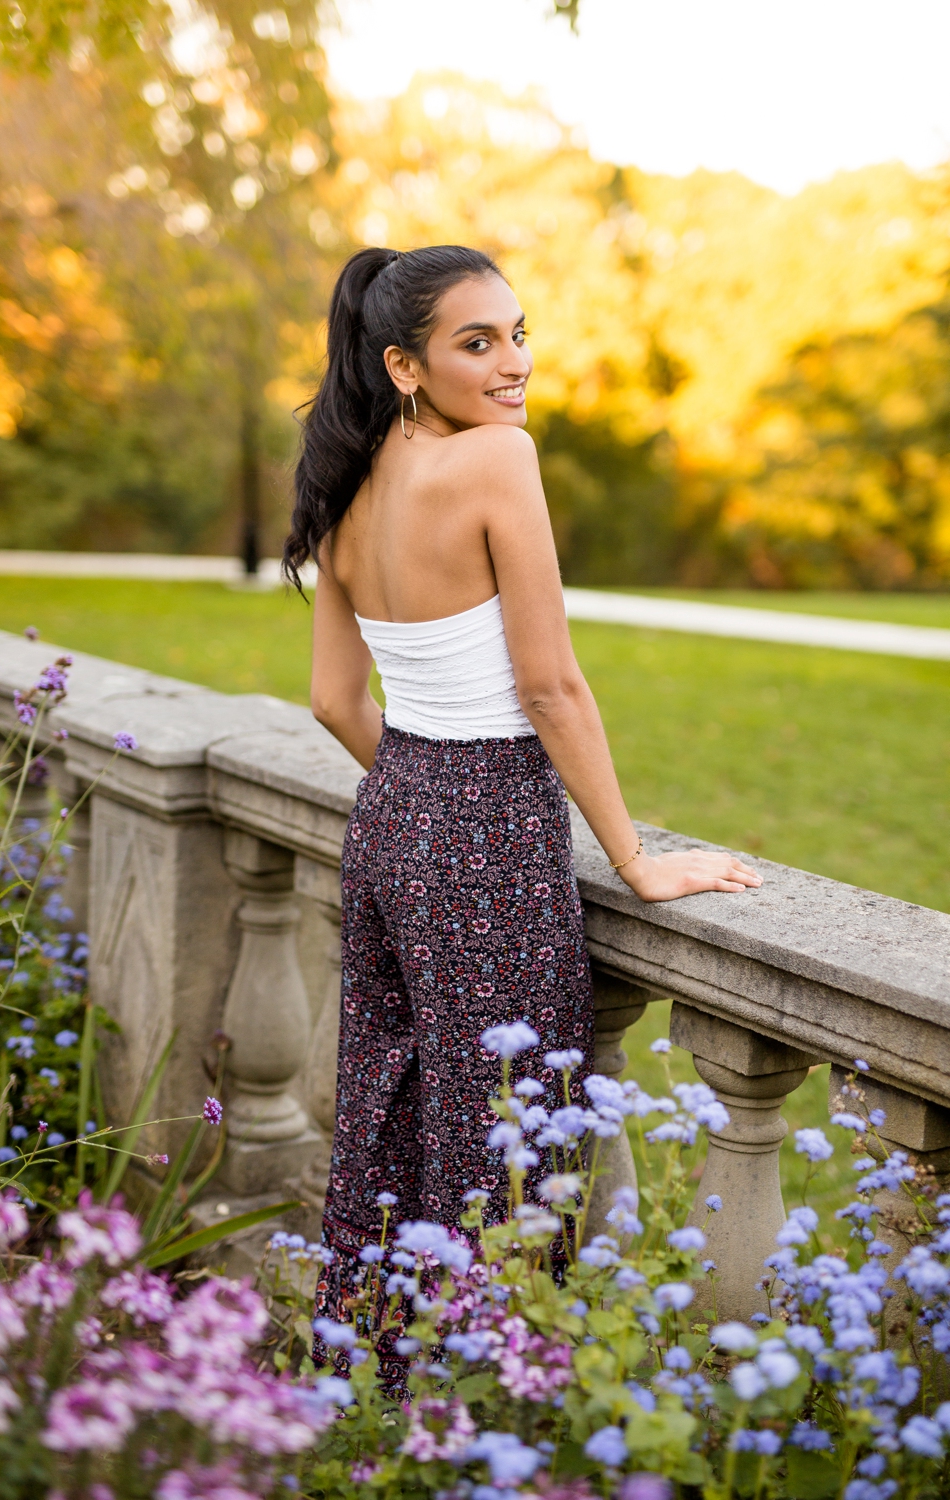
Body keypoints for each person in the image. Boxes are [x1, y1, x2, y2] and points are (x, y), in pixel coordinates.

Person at [285, 246, 761, 1350]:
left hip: (391, 818)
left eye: (517, 333)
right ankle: (474, 1397)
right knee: (501, 1141)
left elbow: (328, 699)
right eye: (476, 342)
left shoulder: (348, 483)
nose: (513, 364)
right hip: (487, 826)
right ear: (404, 364)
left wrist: (416, 794)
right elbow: (547, 685)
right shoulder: (498, 458)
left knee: (386, 1117)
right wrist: (633, 859)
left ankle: (363, 1370)